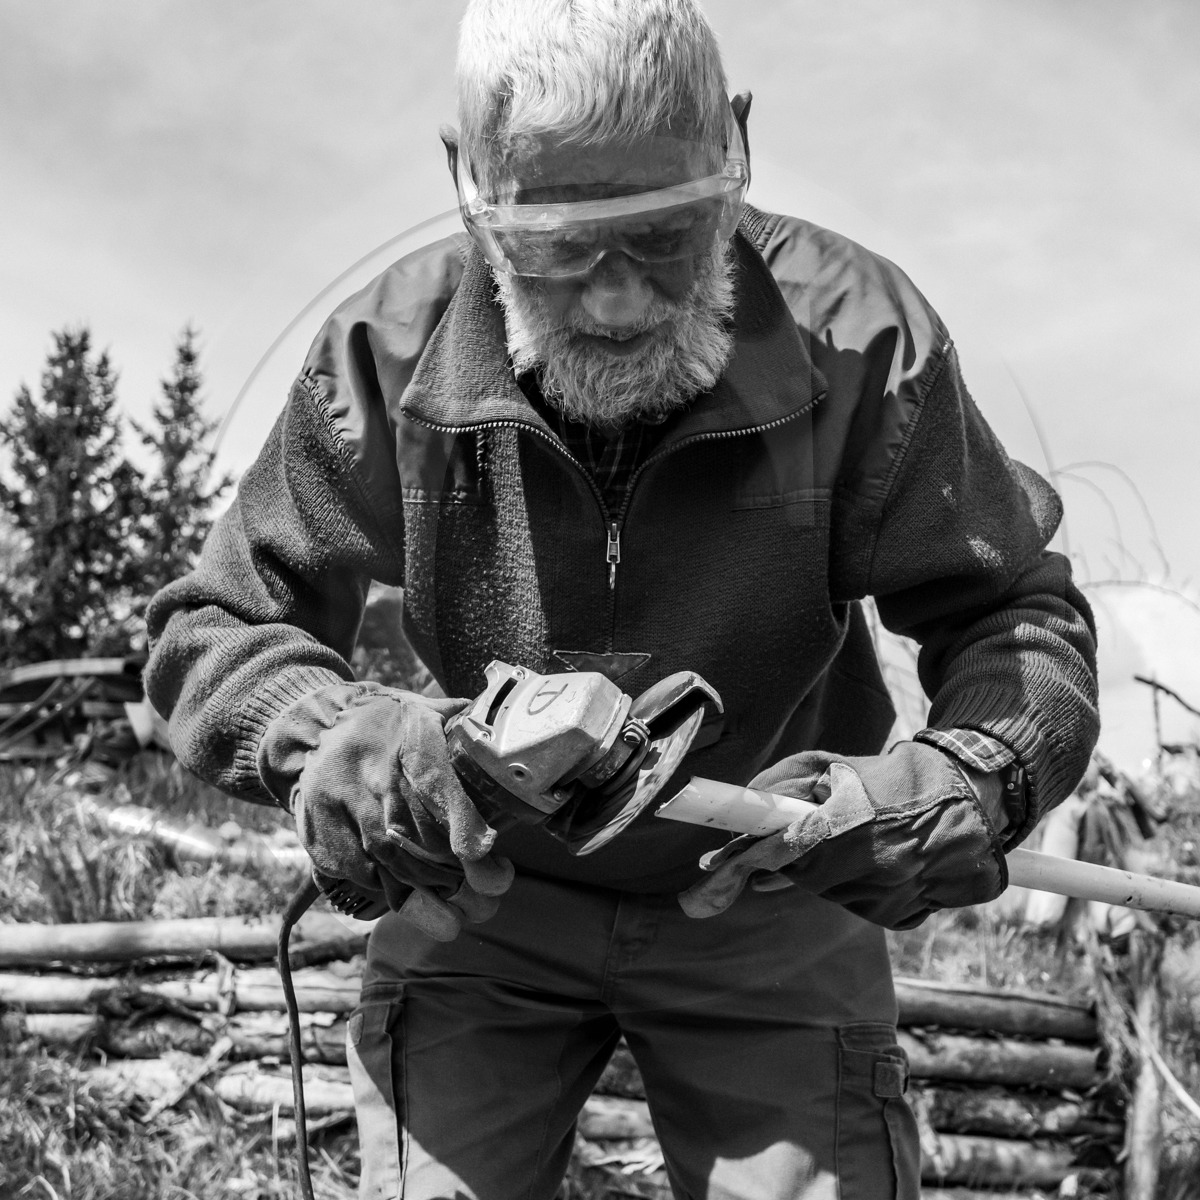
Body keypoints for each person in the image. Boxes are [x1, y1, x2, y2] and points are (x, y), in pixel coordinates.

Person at [145, 1, 1099, 1196]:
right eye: (558, 245)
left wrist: (964, 780)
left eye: (664, 233)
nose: (615, 298)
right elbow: (219, 629)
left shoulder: (861, 343)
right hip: (483, 890)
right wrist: (353, 747)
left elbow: (1017, 618)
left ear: (735, 142)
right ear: (468, 182)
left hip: (775, 885)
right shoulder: (383, 358)